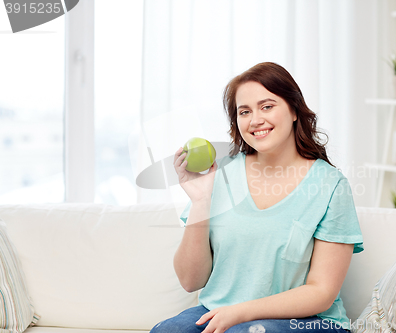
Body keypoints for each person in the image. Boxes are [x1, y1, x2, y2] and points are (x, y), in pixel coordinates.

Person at [150, 62, 364, 333]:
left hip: (307, 321)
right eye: (245, 111)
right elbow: (191, 280)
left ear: (294, 110)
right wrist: (201, 201)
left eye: (267, 106)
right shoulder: (222, 173)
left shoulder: (331, 186)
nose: (255, 120)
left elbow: (321, 292)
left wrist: (240, 313)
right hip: (221, 310)